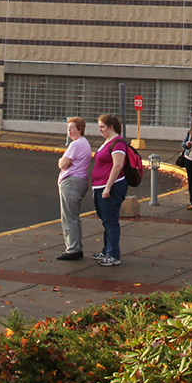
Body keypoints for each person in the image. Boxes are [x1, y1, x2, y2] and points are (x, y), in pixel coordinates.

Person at [90, 113, 132, 267]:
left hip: (112, 187)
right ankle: (106, 250)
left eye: (102, 127)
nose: (100, 130)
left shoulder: (118, 143)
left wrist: (108, 187)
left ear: (111, 127)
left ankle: (113, 254)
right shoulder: (107, 142)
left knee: (111, 220)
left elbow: (118, 165)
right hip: (99, 186)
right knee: (105, 220)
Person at [55, 116, 93, 260]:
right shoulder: (85, 143)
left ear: (80, 129)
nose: (69, 131)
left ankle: (73, 249)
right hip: (80, 181)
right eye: (68, 128)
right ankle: (75, 247)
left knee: (68, 217)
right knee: (74, 216)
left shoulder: (76, 145)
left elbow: (63, 164)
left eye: (72, 128)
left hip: (71, 182)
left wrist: (61, 160)